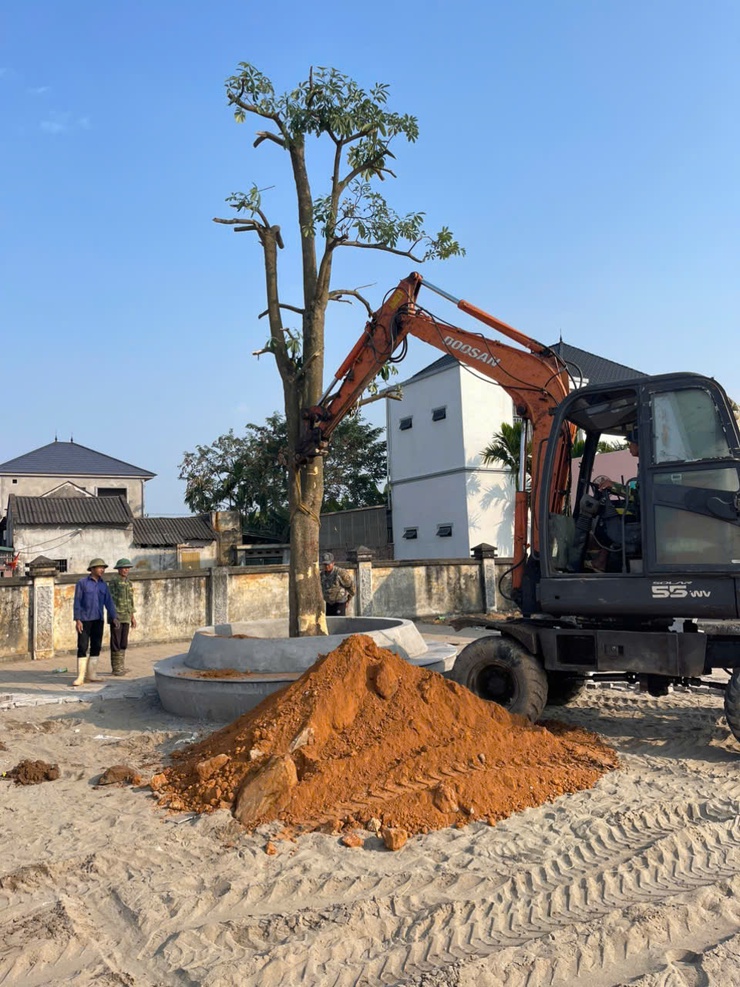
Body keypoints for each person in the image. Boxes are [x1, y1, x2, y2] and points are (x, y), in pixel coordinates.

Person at [72, 558, 118, 686]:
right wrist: (77, 619)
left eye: (103, 567)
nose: (102, 570)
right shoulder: (82, 583)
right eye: (99, 567)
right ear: (92, 569)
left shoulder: (104, 585)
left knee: (96, 646)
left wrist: (114, 617)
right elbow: (77, 602)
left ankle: (92, 674)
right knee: (82, 646)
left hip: (98, 619)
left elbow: (109, 602)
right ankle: (80, 677)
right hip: (85, 620)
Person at [108, 558, 137, 676]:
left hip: (126, 616)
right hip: (116, 616)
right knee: (116, 641)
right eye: (124, 568)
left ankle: (121, 666)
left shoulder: (129, 582)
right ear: (119, 569)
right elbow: (110, 600)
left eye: (128, 568)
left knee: (123, 641)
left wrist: (132, 617)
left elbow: (130, 601)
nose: (126, 570)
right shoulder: (114, 581)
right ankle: (116, 668)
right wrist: (113, 616)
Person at [320, 552, 355, 616]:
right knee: (330, 623)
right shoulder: (322, 575)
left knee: (339, 622)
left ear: (333, 563)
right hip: (329, 603)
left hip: (340, 602)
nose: (326, 566)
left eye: (328, 564)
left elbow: (351, 586)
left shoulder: (340, 573)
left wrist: (348, 600)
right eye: (325, 564)